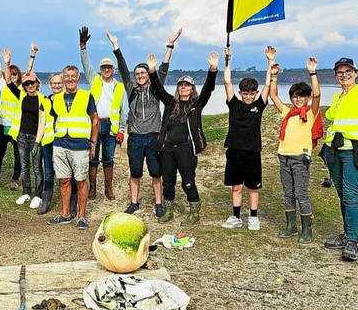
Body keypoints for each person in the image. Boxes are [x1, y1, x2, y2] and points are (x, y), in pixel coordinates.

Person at [321, 8, 358, 261]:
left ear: (355, 74)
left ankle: (353, 241)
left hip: (355, 151)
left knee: (352, 196)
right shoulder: (337, 98)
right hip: (335, 151)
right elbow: (333, 122)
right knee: (343, 194)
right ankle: (346, 234)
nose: (343, 76)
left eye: (348, 72)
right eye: (339, 73)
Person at [108, 28, 181, 217]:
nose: (140, 76)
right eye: (137, 73)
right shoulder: (131, 89)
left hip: (154, 136)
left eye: (143, 73)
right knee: (135, 172)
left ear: (148, 74)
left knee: (156, 173)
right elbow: (123, 68)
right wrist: (116, 47)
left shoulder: (156, 88)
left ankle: (158, 203)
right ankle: (134, 203)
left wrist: (170, 44)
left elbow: (164, 67)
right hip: (135, 138)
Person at [148, 51, 218, 225]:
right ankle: (169, 210)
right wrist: (151, 71)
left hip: (186, 149)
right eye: (181, 85)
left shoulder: (196, 104)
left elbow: (208, 89)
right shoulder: (171, 103)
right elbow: (157, 89)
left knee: (188, 182)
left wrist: (213, 69)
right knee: (168, 183)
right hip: (168, 149)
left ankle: (194, 212)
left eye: (187, 85)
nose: (183, 88)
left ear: (192, 88)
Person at [268, 55, 322, 244]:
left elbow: (317, 95)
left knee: (301, 193)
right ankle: (291, 226)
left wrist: (312, 72)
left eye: (301, 96)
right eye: (294, 96)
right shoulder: (288, 113)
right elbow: (273, 96)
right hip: (284, 157)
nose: (298, 99)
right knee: (288, 193)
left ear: (307, 98)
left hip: (301, 159)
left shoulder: (311, 113)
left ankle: (307, 229)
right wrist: (274, 76)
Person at [220, 46, 273, 231]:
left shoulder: (259, 105)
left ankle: (253, 217)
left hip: (252, 152)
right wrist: (227, 59)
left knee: (253, 188)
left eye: (252, 93)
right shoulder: (234, 104)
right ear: (240, 93)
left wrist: (270, 62)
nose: (249, 96)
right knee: (236, 187)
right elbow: (227, 82)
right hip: (234, 151)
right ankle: (235, 217)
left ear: (256, 93)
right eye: (245, 93)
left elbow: (268, 85)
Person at [79, 26, 129, 201]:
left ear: (113, 69)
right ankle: (92, 190)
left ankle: (108, 189)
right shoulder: (94, 80)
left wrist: (122, 131)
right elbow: (86, 64)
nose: (106, 69)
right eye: (103, 67)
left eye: (109, 67)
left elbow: (124, 111)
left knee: (108, 159)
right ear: (100, 69)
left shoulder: (120, 87)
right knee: (93, 158)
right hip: (94, 124)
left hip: (110, 127)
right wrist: (83, 46)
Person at [46, 65, 98, 230]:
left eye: (72, 76)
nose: (69, 79)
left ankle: (81, 216)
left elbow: (95, 120)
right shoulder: (57, 98)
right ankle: (65, 214)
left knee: (81, 181)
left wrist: (93, 143)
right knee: (63, 180)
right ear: (63, 78)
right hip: (60, 145)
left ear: (78, 78)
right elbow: (54, 119)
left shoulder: (86, 96)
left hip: (80, 146)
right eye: (66, 76)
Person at [4, 61, 47, 209]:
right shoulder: (22, 96)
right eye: (27, 83)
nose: (30, 86)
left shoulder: (43, 99)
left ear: (37, 83)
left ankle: (38, 195)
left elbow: (45, 120)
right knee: (24, 166)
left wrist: (38, 141)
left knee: (37, 167)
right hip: (22, 136)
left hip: (36, 137)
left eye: (32, 83)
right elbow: (9, 82)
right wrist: (7, 63)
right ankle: (26, 192)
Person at [0, 41, 28, 191]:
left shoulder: (22, 91)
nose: (11, 75)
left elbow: (29, 70)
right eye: (9, 73)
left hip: (17, 126)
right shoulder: (3, 86)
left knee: (18, 153)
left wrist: (32, 56)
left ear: (19, 76)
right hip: (4, 124)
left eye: (14, 74)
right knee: (0, 152)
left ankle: (16, 179)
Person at [37, 73, 77, 216]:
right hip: (48, 142)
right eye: (54, 83)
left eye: (59, 83)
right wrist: (37, 142)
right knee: (49, 172)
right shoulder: (45, 102)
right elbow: (41, 124)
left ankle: (73, 203)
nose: (57, 85)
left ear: (64, 83)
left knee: (69, 173)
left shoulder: (69, 100)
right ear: (49, 84)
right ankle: (46, 202)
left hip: (65, 141)